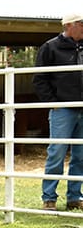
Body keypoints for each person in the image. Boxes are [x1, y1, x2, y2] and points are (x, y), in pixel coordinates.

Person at [34, 12, 83, 211]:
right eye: (82, 23)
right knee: (57, 152)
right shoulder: (50, 47)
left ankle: (75, 197)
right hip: (63, 108)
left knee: (81, 155)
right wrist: (52, 102)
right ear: (70, 25)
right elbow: (40, 79)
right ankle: (49, 197)